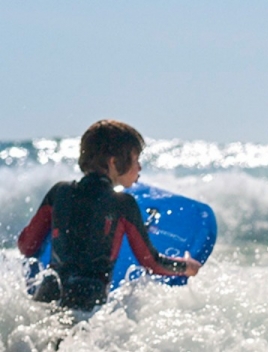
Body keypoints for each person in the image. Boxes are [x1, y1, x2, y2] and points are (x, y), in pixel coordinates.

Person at [17, 120, 200, 311]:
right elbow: (151, 262)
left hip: (47, 295)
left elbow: (26, 245)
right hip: (86, 303)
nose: (139, 167)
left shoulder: (59, 192)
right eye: (136, 159)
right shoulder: (122, 203)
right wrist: (185, 267)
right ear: (113, 162)